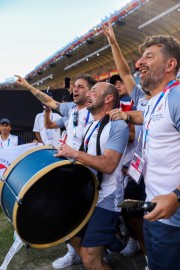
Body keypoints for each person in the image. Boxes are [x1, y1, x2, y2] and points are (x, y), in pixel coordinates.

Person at [108, 34, 180, 270]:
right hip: (154, 209)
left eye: (149, 56)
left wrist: (177, 195)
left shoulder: (177, 98)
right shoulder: (153, 102)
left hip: (173, 218)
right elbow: (142, 116)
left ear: (170, 65)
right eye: (141, 57)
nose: (139, 63)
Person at [15, 73, 97, 269]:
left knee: (87, 217)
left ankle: (107, 247)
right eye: (74, 86)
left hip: (89, 172)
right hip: (68, 170)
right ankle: (74, 252)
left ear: (92, 93)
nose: (74, 89)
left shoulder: (97, 111)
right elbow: (50, 103)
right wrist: (28, 86)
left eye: (81, 87)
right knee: (67, 215)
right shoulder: (71, 110)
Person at [54, 81, 129, 270]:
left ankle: (108, 247)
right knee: (69, 232)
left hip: (107, 198)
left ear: (108, 98)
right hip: (90, 195)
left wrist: (74, 153)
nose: (89, 94)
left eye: (94, 91)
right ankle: (112, 244)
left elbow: (109, 165)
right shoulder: (92, 125)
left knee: (89, 259)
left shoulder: (117, 125)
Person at [103, 23, 147, 259]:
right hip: (141, 168)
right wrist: (113, 41)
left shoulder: (173, 97)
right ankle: (146, 252)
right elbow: (126, 73)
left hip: (168, 170)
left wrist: (128, 116)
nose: (141, 70)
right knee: (131, 211)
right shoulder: (139, 96)